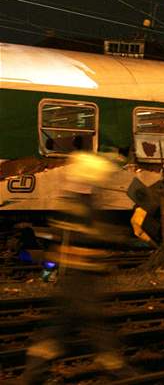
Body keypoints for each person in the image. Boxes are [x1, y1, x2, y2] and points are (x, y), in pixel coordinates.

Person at [23, 152, 133, 384]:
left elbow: (61, 239)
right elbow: (86, 238)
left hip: (75, 275)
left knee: (62, 325)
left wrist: (48, 271)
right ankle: (116, 366)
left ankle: (33, 373)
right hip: (80, 275)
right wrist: (113, 239)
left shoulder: (74, 201)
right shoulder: (83, 205)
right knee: (91, 320)